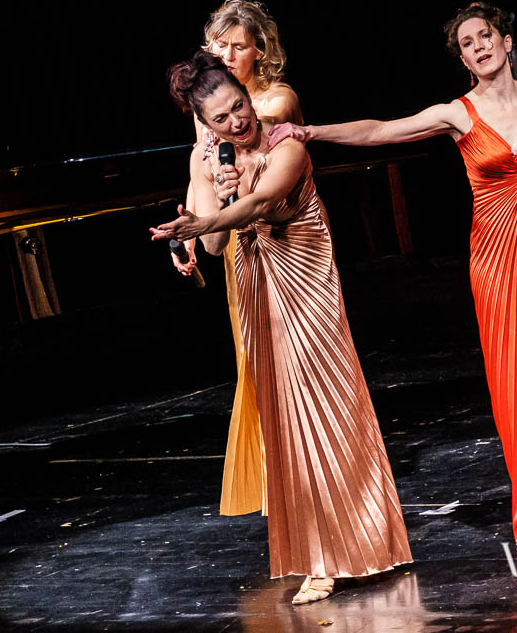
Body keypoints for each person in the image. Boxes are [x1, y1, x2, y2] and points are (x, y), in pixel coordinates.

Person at [288, 3, 517, 550]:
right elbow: (382, 130)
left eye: (486, 35)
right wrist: (311, 131)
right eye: (468, 43)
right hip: (498, 260)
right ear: (464, 60)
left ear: (506, 40)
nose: (480, 46)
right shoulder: (458, 114)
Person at [151, 52, 412, 604]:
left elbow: (266, 202)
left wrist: (219, 213)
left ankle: (359, 542)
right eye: (221, 118)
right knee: (281, 417)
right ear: (204, 122)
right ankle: (318, 554)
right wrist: (213, 202)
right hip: (254, 283)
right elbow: (216, 244)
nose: (236, 122)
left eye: (238, 106)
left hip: (304, 276)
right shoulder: (206, 157)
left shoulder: (285, 141)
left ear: (247, 95)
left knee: (326, 405)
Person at [172, 0, 303, 518]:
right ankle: (274, 476)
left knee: (292, 354)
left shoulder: (274, 99)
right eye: (219, 45)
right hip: (237, 243)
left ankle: (303, 469)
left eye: (239, 45)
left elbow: (260, 131)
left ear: (260, 51)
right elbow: (203, 167)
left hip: (286, 237)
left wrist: (224, 126)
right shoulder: (209, 113)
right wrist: (190, 228)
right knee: (254, 355)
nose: (227, 54)